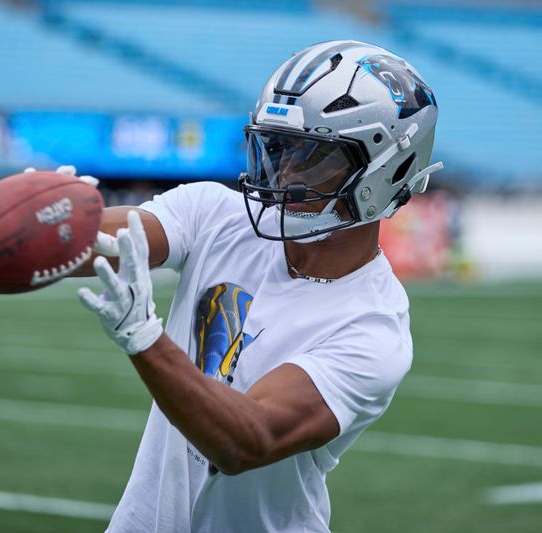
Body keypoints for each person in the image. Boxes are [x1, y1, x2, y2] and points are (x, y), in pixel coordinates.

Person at [72, 40, 441, 532]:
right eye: (278, 149)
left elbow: (245, 441)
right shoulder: (215, 214)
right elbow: (101, 239)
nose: (285, 173)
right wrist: (50, 221)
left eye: (314, 157)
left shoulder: (374, 329)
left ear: (386, 170)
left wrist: (145, 339)